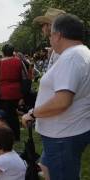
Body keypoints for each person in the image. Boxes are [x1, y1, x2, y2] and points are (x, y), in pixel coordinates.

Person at [22, 14, 90, 180]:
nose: (50, 39)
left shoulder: (71, 58)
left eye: (51, 34)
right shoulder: (80, 53)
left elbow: (62, 101)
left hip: (63, 135)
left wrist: (32, 114)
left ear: (58, 35)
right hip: (66, 132)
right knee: (46, 166)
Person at [0, 44, 23, 141]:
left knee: (1, 115)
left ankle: (5, 137)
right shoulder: (19, 61)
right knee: (13, 115)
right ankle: (16, 136)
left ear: (3, 52)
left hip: (3, 93)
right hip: (16, 92)